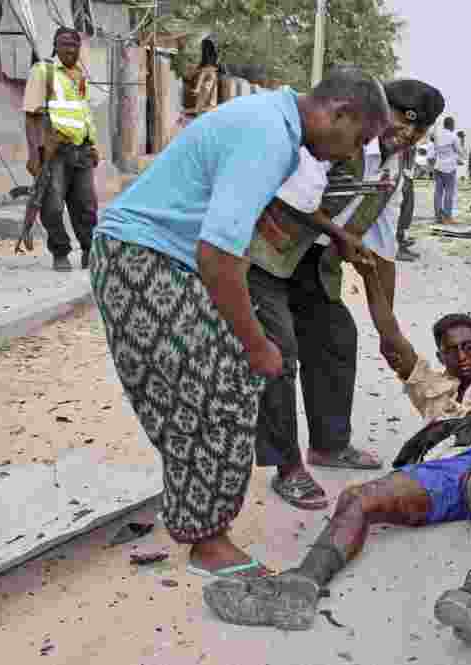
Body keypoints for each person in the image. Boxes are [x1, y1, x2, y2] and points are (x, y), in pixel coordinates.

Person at [90, 68, 390, 581]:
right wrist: (256, 343)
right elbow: (217, 256)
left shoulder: (275, 121)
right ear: (339, 112)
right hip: (142, 258)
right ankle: (208, 542)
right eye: (357, 139)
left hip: (156, 258)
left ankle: (199, 520)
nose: (348, 155)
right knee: (218, 388)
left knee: (214, 387)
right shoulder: (271, 135)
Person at [203, 248, 471, 645]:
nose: (464, 355)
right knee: (357, 498)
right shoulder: (432, 388)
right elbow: (390, 338)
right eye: (453, 349)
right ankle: (299, 585)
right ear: (440, 355)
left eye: (469, 346)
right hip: (440, 467)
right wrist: (370, 275)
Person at [248, 79, 444, 511]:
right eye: (399, 116)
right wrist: (338, 236)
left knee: (337, 337)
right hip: (268, 250)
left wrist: (389, 329)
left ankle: (329, 445)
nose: (406, 132)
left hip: (314, 261)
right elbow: (296, 200)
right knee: (278, 353)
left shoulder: (395, 170)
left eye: (419, 127)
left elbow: (383, 246)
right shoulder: (340, 138)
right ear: (378, 109)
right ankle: (287, 466)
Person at [22, 28, 101, 272]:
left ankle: (89, 251)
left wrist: (94, 146)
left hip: (82, 151)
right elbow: (31, 116)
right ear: (55, 46)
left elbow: (83, 113)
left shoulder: (78, 75)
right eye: (65, 44)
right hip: (55, 152)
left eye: (75, 45)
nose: (70, 49)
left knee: (87, 207)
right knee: (53, 206)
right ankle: (60, 251)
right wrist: (34, 154)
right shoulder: (43, 71)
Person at [432, 117, 461, 224]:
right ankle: (448, 217)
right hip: (449, 168)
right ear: (451, 125)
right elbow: (460, 151)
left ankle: (438, 216)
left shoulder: (437, 136)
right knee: (449, 193)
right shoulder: (454, 137)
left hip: (438, 166)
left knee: (438, 192)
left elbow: (435, 150)